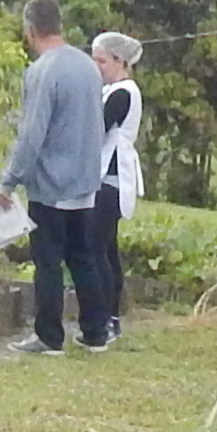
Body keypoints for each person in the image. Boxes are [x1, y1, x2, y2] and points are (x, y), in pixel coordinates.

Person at [2, 0, 116, 352]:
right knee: (83, 258)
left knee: (48, 261)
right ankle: (96, 331)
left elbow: (32, 134)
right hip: (85, 182)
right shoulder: (87, 67)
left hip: (51, 184)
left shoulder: (42, 71)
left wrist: (9, 180)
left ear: (30, 29)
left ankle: (49, 335)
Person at [89, 31, 147, 343]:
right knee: (107, 250)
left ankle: (105, 318)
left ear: (118, 61)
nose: (96, 66)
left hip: (110, 180)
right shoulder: (113, 90)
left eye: (101, 60)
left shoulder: (122, 93)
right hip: (107, 178)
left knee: (98, 251)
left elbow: (96, 129)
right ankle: (110, 317)